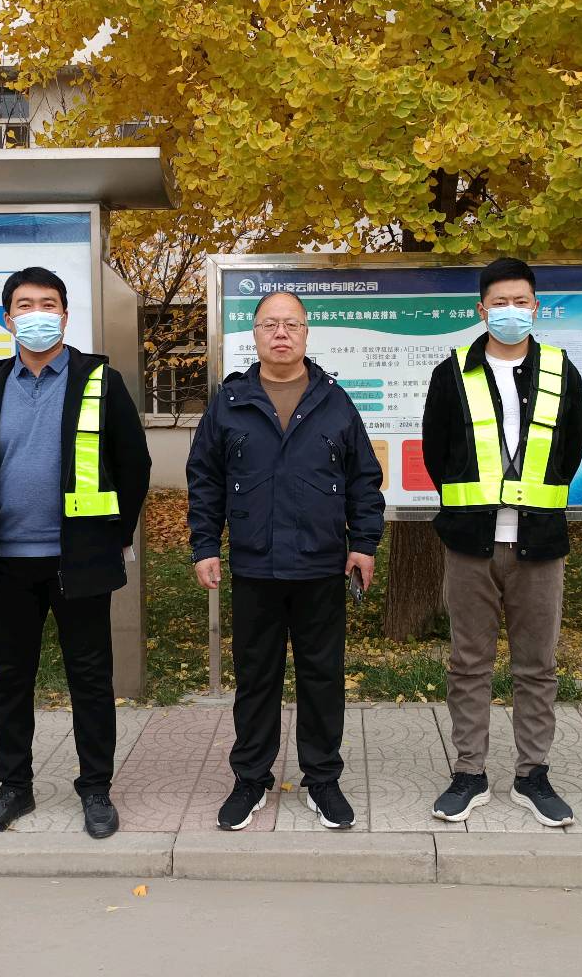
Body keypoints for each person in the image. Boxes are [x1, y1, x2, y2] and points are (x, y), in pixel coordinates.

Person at [0, 267, 150, 840]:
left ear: (64, 315)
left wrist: (114, 535)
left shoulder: (99, 381)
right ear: (8, 318)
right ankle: (14, 787)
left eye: (48, 304)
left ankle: (96, 788)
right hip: (7, 562)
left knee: (90, 678)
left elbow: (134, 465)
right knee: (12, 679)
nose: (36, 313)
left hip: (77, 560)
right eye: (24, 304)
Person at [186, 290, 385, 831]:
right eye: (270, 324)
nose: (281, 333)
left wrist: (364, 544)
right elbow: (204, 479)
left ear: (305, 333)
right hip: (255, 567)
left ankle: (322, 780)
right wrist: (205, 545)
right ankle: (251, 778)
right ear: (254, 334)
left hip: (321, 567)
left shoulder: (334, 401)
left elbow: (364, 480)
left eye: (291, 324)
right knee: (256, 679)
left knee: (323, 677)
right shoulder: (229, 403)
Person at [421, 258, 582, 826]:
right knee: (468, 663)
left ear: (536, 307)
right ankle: (469, 772)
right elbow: (437, 454)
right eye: (500, 303)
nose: (511, 311)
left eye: (521, 302)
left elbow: (569, 452)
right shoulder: (452, 372)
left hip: (539, 542)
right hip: (471, 542)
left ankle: (532, 774)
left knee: (537, 666)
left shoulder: (562, 371)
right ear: (481, 309)